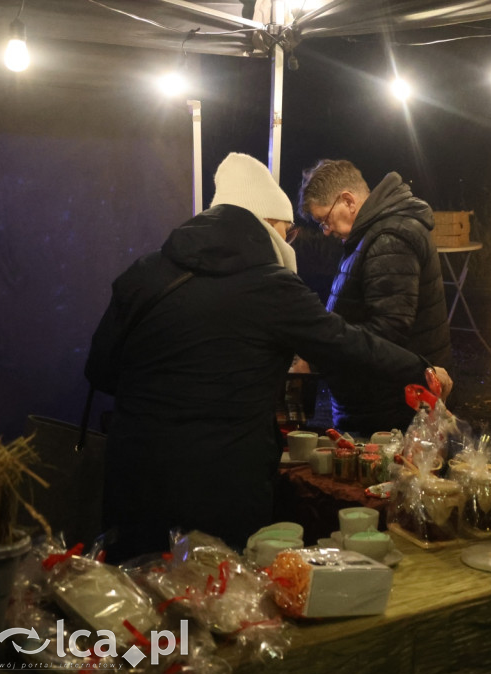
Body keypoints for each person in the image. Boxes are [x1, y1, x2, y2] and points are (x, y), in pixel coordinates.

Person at [86, 153, 451, 561]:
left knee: (136, 593)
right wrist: (419, 367)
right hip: (221, 487)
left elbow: (99, 370)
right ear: (266, 225)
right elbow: (346, 344)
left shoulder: (144, 272)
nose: (289, 241)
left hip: (132, 478)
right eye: (286, 230)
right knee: (219, 593)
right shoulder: (271, 287)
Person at [298, 159, 451, 435]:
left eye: (325, 220)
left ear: (348, 201)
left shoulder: (389, 238)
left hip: (390, 411)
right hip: (381, 404)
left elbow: (387, 333)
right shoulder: (370, 236)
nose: (327, 230)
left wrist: (320, 355)